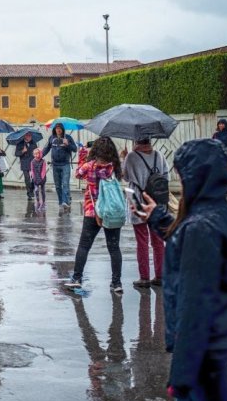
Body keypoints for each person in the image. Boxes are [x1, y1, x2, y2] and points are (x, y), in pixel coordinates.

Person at [137, 139, 227, 401]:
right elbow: (187, 245)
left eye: (182, 175)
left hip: (203, 350)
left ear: (195, 177)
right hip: (219, 342)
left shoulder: (200, 227)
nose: (178, 183)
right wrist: (159, 217)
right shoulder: (217, 213)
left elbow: (195, 305)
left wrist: (182, 374)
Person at [65, 136, 124, 294]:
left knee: (84, 246)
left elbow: (77, 174)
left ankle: (77, 279)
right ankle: (116, 283)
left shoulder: (90, 166)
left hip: (93, 211)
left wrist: (83, 156)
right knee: (114, 248)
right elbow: (121, 177)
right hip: (111, 211)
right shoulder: (114, 166)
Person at [123, 138, 167, 289]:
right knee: (158, 240)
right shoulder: (159, 155)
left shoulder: (131, 156)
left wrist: (125, 157)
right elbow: (166, 175)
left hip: (137, 199)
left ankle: (144, 277)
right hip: (157, 199)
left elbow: (126, 177)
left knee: (142, 240)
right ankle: (160, 275)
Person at [42, 122, 76, 211]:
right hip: (55, 164)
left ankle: (66, 202)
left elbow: (75, 149)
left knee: (65, 184)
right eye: (57, 128)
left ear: (62, 129)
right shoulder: (51, 138)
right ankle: (61, 202)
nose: (58, 130)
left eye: (60, 128)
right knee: (57, 185)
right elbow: (46, 148)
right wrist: (39, 155)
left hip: (65, 164)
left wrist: (67, 144)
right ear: (54, 129)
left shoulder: (68, 138)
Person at [14, 132, 38, 200]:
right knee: (27, 178)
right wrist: (23, 151)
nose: (29, 137)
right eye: (27, 135)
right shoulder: (20, 143)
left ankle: (32, 190)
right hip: (24, 163)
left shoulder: (34, 143)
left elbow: (36, 152)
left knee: (33, 179)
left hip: (33, 163)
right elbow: (16, 154)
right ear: (24, 136)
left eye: (30, 136)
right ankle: (29, 193)